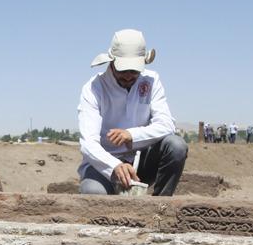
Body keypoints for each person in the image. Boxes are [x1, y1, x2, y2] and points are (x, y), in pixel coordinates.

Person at [78, 29, 187, 195]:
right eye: (123, 71)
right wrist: (114, 166)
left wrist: (132, 135)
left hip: (140, 161)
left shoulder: (151, 81)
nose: (129, 77)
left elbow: (167, 125)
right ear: (112, 62)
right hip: (104, 164)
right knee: (93, 192)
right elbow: (88, 143)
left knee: (176, 146)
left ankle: (160, 207)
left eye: (134, 71)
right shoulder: (94, 88)